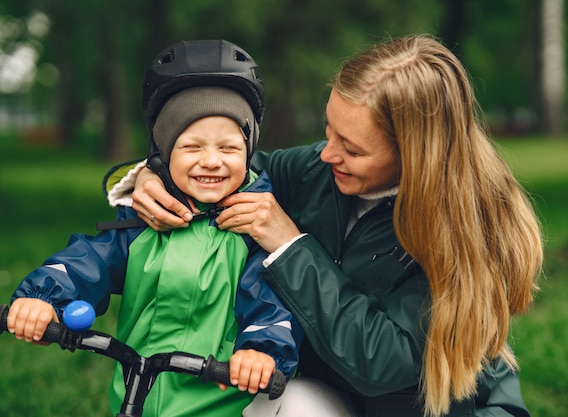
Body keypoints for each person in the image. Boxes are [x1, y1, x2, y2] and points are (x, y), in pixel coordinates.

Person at [101, 34, 543, 417]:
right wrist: (149, 174)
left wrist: (289, 246)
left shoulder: (468, 231)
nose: (327, 153)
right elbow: (224, 165)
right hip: (325, 397)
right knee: (271, 401)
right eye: (328, 130)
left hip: (434, 409)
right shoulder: (317, 170)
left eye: (351, 148)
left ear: (415, 155)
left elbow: (380, 363)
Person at [7, 39, 301, 417]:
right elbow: (88, 260)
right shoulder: (143, 220)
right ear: (162, 150)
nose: (211, 161)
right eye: (192, 147)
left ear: (248, 151)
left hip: (221, 404)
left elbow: (272, 305)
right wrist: (43, 297)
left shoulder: (251, 232)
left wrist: (261, 352)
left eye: (228, 149)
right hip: (136, 397)